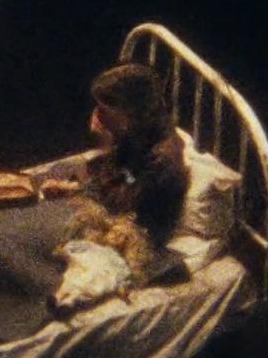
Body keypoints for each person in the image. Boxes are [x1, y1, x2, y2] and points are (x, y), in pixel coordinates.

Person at [42, 63, 189, 245]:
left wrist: (105, 142)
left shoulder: (162, 158)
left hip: (136, 236)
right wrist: (74, 188)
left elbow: (128, 203)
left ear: (129, 112)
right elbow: (124, 175)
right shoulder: (135, 135)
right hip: (112, 216)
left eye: (104, 110)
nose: (98, 116)